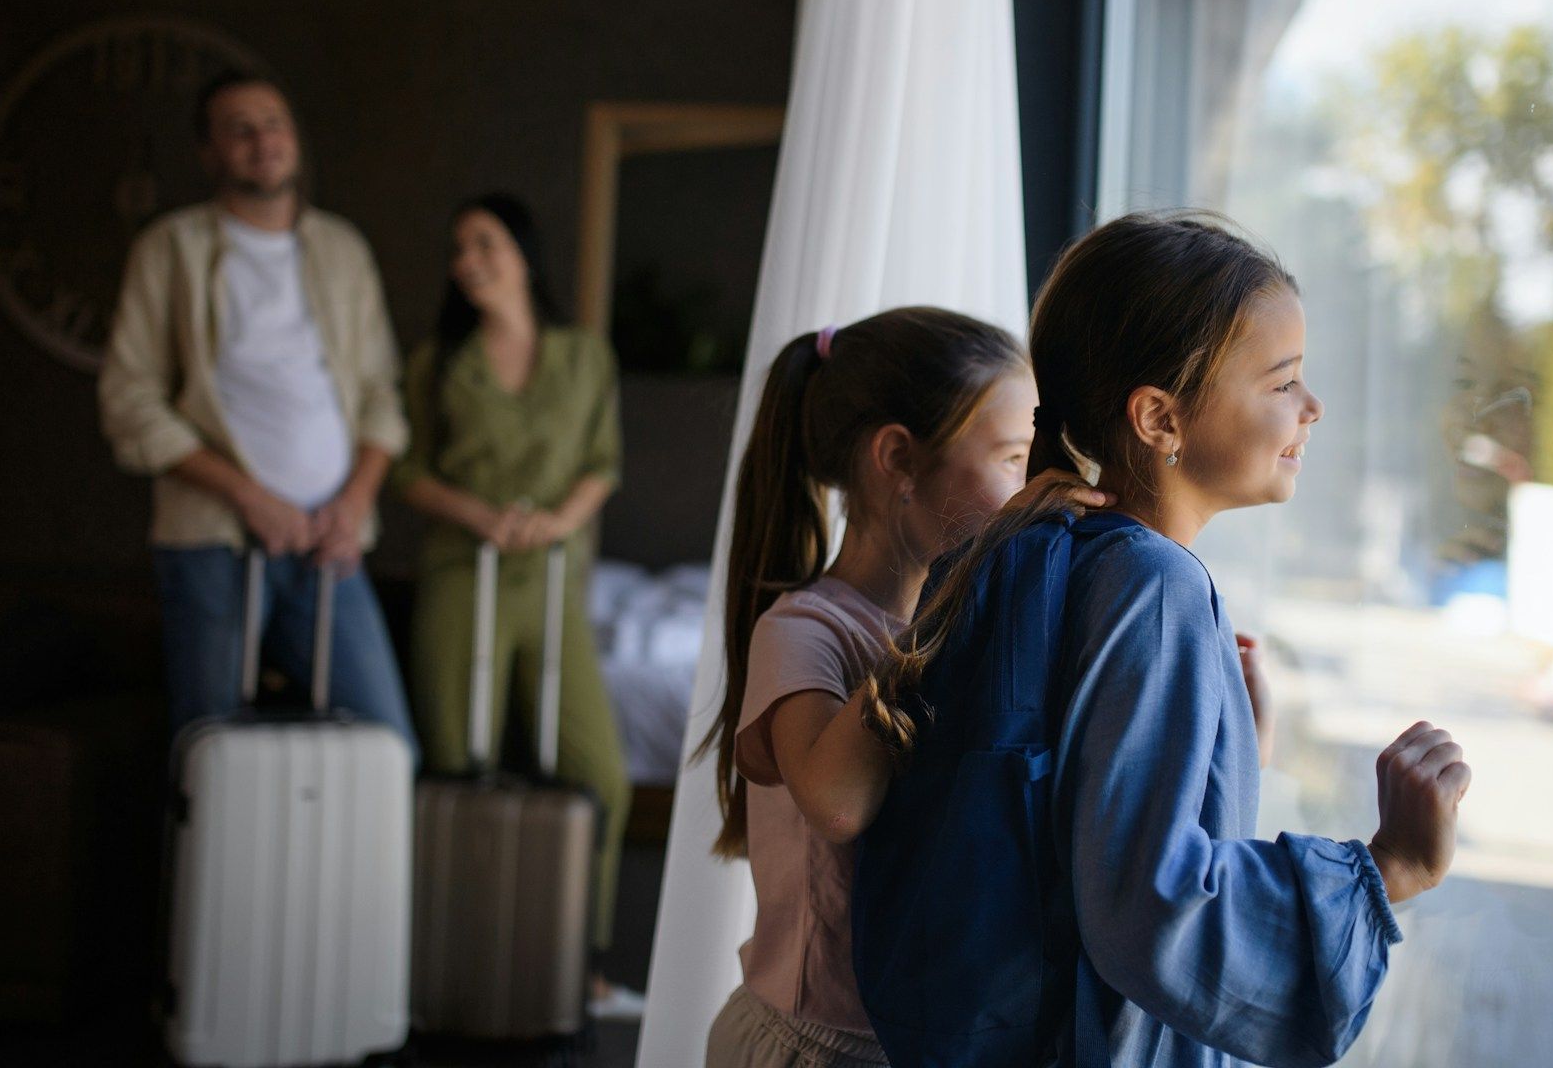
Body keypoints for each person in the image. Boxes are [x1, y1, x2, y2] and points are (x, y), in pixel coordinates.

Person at [856, 211, 1473, 1068]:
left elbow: (1067, 835)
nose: (1314, 407)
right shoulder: (1156, 587)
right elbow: (1148, 910)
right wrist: (1385, 871)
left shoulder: (1018, 550)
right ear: (1159, 419)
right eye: (1283, 381)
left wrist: (1232, 751)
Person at [698, 307, 1050, 1068]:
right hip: (811, 1047)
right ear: (898, 458)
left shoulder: (968, 634)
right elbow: (836, 801)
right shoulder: (803, 631)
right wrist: (964, 596)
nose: (1032, 490)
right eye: (1014, 458)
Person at [98, 70, 415, 756]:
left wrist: (355, 503)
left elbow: (381, 395)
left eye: (274, 123)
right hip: (214, 540)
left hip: (333, 541)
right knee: (208, 752)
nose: (262, 140)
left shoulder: (343, 248)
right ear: (209, 153)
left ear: (295, 140)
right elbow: (129, 402)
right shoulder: (170, 250)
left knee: (387, 746)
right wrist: (250, 497)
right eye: (239, 128)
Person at [390, 193, 637, 1017]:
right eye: (457, 248)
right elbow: (408, 470)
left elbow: (602, 459)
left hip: (554, 579)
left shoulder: (582, 356)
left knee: (598, 770)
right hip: (466, 573)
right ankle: (451, 961)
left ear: (523, 254)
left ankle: (580, 963)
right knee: (459, 766)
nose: (467, 261)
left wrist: (557, 521)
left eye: (484, 243)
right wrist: (485, 517)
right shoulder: (438, 362)